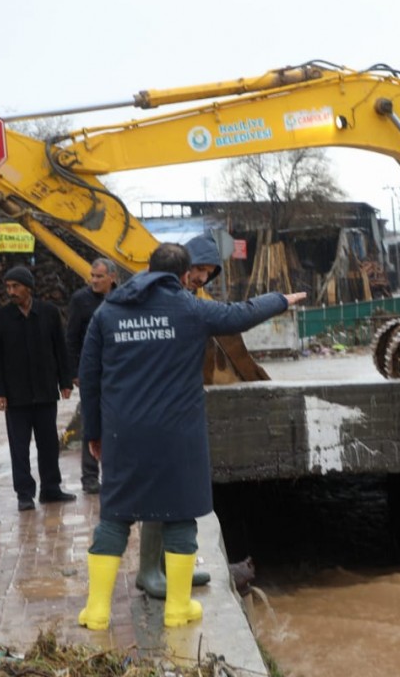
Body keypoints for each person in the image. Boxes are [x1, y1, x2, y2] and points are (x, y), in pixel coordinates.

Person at [76, 242, 305, 629]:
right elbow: (241, 315)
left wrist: (94, 434)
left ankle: (97, 611)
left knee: (115, 518)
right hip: (177, 434)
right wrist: (281, 300)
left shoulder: (108, 312)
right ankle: (178, 608)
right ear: (183, 277)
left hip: (124, 433)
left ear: (149, 268)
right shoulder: (191, 308)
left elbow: (90, 378)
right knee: (180, 517)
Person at [130, 231, 226, 600]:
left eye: (209, 273)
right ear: (185, 268)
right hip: (154, 406)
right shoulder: (151, 300)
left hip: (175, 404)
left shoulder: (188, 300)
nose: (203, 278)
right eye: (199, 269)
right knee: (158, 488)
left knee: (174, 490)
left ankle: (171, 567)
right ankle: (148, 572)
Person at [0, 265, 75, 512]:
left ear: (28, 288)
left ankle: (51, 488)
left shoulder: (49, 313)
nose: (11, 291)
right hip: (16, 397)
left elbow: (60, 349)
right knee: (19, 447)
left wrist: (65, 382)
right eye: (8, 287)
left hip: (46, 392)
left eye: (15, 286)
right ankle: (24, 493)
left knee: (49, 444)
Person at [65, 257, 121, 495]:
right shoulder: (81, 300)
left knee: (119, 420)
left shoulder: (123, 298)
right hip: (91, 372)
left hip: (118, 372)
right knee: (91, 421)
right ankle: (89, 477)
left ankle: (117, 473)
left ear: (112, 278)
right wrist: (75, 371)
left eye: (99, 276)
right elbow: (72, 337)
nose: (94, 281)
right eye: (92, 276)